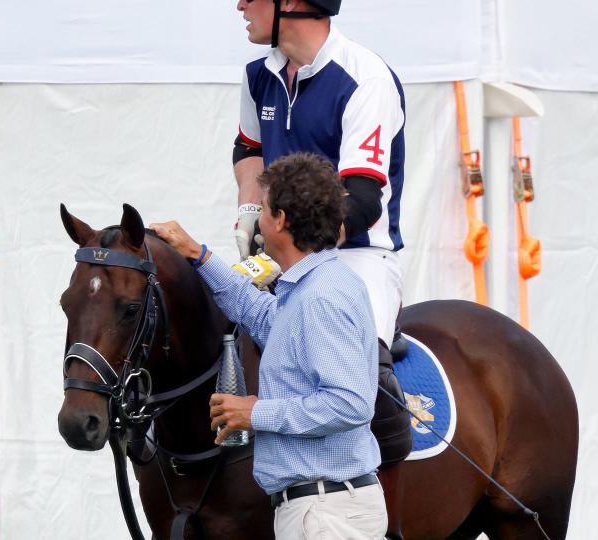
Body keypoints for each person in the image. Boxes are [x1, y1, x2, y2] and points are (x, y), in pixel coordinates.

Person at [152, 153, 386, 538]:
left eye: (262, 207)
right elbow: (258, 314)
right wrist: (198, 254)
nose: (257, 216)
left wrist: (256, 412)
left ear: (280, 220)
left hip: (326, 515)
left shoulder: (321, 297)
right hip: (319, 509)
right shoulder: (311, 287)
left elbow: (350, 403)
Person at [233, 0, 411, 470]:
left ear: (290, 2)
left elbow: (362, 201)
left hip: (357, 256)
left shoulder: (366, 78)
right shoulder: (259, 75)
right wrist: (251, 213)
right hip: (279, 251)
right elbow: (248, 148)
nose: (240, 5)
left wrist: (294, 253)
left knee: (365, 376)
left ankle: (385, 501)